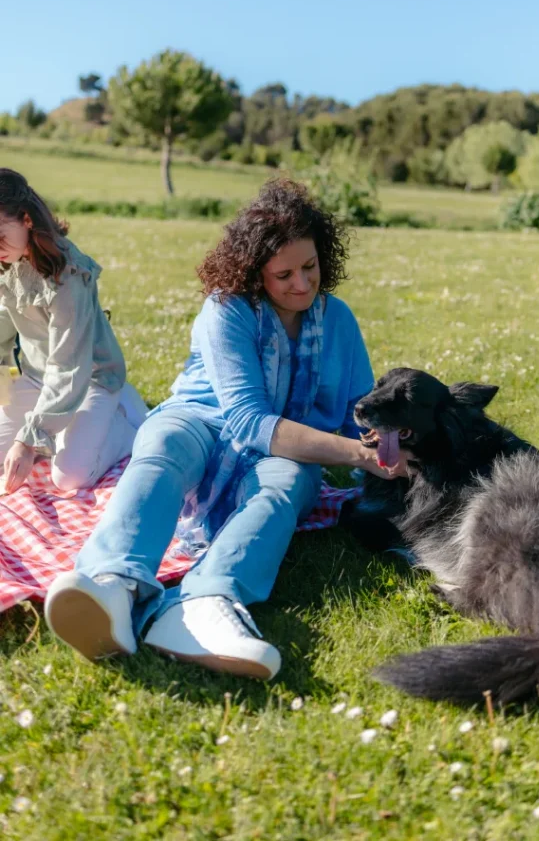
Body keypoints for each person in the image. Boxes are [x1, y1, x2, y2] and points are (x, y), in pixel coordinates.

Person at [45, 179, 408, 681]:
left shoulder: (338, 320)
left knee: (290, 482)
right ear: (255, 273)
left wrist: (386, 446)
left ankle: (207, 601)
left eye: (310, 267)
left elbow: (358, 410)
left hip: (286, 450)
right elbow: (247, 421)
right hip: (205, 421)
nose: (302, 284)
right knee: (164, 442)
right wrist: (356, 455)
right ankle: (112, 583)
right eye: (283, 274)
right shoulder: (227, 310)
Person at [0, 169, 147, 494]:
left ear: (26, 219)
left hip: (89, 377)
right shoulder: (7, 261)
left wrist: (29, 437)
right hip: (38, 377)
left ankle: (122, 421)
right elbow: (2, 327)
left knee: (68, 477)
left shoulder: (66, 274)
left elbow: (69, 367)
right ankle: (64, 427)